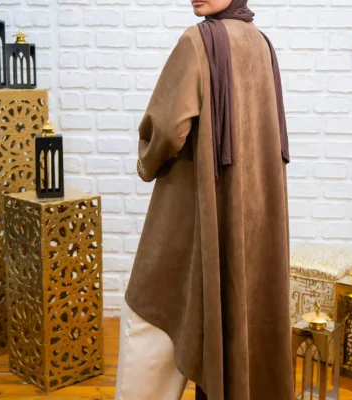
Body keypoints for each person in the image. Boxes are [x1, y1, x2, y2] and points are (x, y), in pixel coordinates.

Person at [115, 0, 294, 399]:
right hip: (250, 221)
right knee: (231, 315)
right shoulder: (262, 45)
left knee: (149, 315)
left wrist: (147, 159)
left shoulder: (196, 42)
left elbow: (165, 129)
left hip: (191, 215)